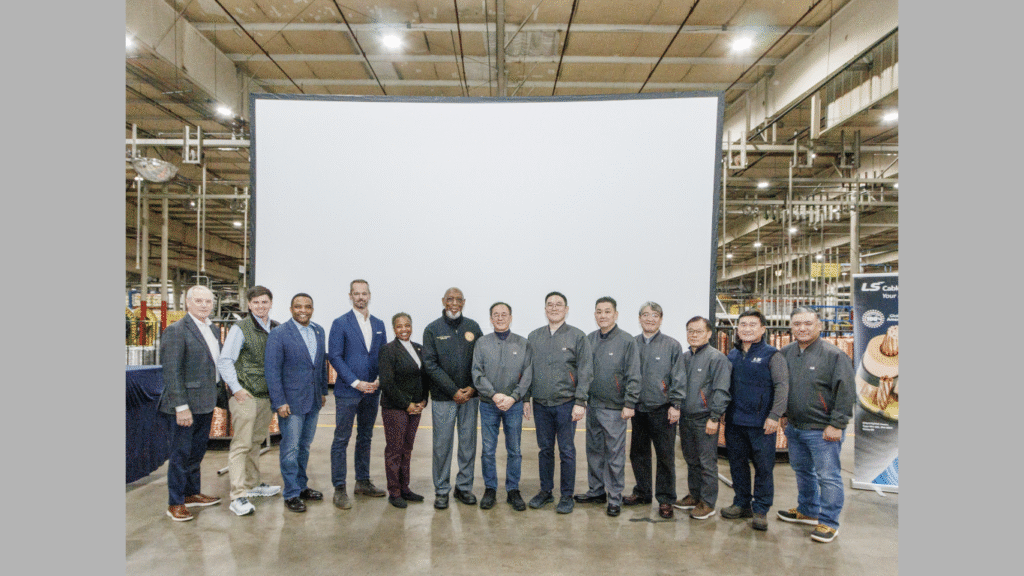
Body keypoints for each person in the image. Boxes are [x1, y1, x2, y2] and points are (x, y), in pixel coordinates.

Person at [777, 307, 856, 543]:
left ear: (819, 326)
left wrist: (837, 424)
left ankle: (829, 522)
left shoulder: (834, 355)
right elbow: (782, 387)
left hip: (823, 430)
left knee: (828, 476)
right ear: (791, 327)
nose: (802, 328)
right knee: (802, 471)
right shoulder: (786, 353)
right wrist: (783, 413)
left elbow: (846, 393)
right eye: (797, 324)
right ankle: (808, 510)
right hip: (795, 426)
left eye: (808, 323)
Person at [158, 285, 224, 521]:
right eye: (198, 301)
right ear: (188, 303)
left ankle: (191, 494)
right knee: (180, 454)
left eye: (208, 301)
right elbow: (172, 371)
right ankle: (175, 502)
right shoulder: (176, 330)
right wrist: (181, 406)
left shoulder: (213, 329)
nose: (204, 305)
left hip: (205, 402)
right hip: (184, 406)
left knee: (196, 452)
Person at [216, 286, 282, 517]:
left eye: (264, 302)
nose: (261, 306)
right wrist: (236, 389)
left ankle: (253, 485)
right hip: (246, 395)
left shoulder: (276, 328)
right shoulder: (240, 328)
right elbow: (225, 361)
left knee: (255, 442)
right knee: (241, 444)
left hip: (266, 395)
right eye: (256, 303)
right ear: (249, 305)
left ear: (270, 303)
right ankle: (238, 495)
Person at [721, 309, 789, 531]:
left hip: (762, 424)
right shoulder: (732, 355)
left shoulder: (772, 355)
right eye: (743, 325)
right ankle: (741, 503)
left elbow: (782, 387)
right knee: (737, 465)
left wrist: (775, 415)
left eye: (752, 325)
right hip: (734, 422)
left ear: (762, 329)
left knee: (763, 468)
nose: (747, 329)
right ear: (738, 329)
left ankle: (760, 509)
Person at [526, 292, 593, 514]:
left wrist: (580, 401)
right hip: (541, 404)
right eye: (550, 305)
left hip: (566, 404)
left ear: (566, 309)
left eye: (558, 305)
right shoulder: (534, 337)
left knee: (566, 451)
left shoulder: (577, 336)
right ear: (545, 309)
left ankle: (566, 496)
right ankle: (546, 492)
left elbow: (585, 371)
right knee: (545, 450)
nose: (554, 308)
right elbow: (527, 371)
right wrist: (526, 398)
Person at [575, 296, 641, 517]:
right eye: (599, 311)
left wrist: (630, 403)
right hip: (593, 406)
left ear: (616, 314)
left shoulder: (627, 341)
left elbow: (634, 375)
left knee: (614, 455)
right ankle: (596, 491)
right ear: (595, 315)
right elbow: (583, 373)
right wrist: (582, 400)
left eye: (607, 311)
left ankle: (614, 497)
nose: (602, 315)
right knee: (594, 452)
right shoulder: (589, 339)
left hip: (615, 409)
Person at [264, 293, 329, 513]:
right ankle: (291, 493)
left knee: (304, 446)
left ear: (312, 309)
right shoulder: (279, 334)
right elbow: (272, 371)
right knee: (290, 448)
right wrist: (279, 401)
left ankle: (302, 486)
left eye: (308, 306)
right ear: (291, 309)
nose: (303, 310)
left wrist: (321, 391)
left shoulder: (318, 331)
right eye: (298, 306)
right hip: (290, 403)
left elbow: (320, 365)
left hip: (312, 400)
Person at [328, 280, 388, 510]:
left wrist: (378, 380)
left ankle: (362, 481)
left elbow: (383, 356)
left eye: (364, 293)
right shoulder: (340, 323)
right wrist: (355, 382)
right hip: (348, 392)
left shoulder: (379, 324)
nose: (360, 297)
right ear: (350, 296)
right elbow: (335, 356)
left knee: (365, 437)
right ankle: (339, 487)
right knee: (341, 439)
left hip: (372, 391)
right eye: (356, 293)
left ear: (369, 295)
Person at [422, 287, 484, 509]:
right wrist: (452, 390)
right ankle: (441, 490)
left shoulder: (473, 328)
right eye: (450, 299)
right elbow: (430, 364)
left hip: (470, 398)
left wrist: (473, 388)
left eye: (459, 299)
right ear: (443, 301)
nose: (454, 303)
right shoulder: (432, 330)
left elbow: (481, 361)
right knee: (442, 446)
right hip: (443, 398)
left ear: (464, 302)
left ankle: (464, 487)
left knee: (468, 445)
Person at [625, 302, 685, 520]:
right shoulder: (631, 343)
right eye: (645, 315)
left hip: (663, 410)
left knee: (665, 456)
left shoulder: (672, 345)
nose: (650, 319)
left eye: (655, 315)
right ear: (639, 318)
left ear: (661, 319)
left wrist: (675, 404)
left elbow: (678, 377)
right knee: (638, 454)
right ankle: (642, 492)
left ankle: (666, 498)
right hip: (638, 409)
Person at [471, 302, 533, 512]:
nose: (499, 318)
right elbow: (477, 373)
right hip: (489, 404)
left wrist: (514, 397)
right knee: (488, 450)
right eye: (495, 315)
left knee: (514, 450)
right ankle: (490, 489)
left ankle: (513, 490)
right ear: (490, 318)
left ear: (511, 317)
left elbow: (527, 375)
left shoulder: (523, 343)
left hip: (513, 406)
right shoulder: (482, 343)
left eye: (503, 314)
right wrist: (495, 395)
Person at [675, 316, 731, 521]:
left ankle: (707, 503)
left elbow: (721, 390)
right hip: (686, 418)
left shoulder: (717, 359)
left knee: (707, 462)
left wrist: (714, 417)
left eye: (698, 331)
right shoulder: (685, 357)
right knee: (691, 460)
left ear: (709, 334)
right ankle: (695, 495)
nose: (693, 335)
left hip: (705, 418)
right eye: (690, 330)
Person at [378, 312, 429, 509]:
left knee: (407, 450)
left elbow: (424, 377)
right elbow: (387, 383)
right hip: (395, 408)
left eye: (407, 325)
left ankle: (405, 488)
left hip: (416, 408)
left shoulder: (419, 348)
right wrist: (406, 404)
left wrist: (423, 400)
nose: (404, 329)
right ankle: (394, 491)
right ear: (394, 329)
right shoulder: (388, 350)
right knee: (394, 450)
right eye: (399, 326)